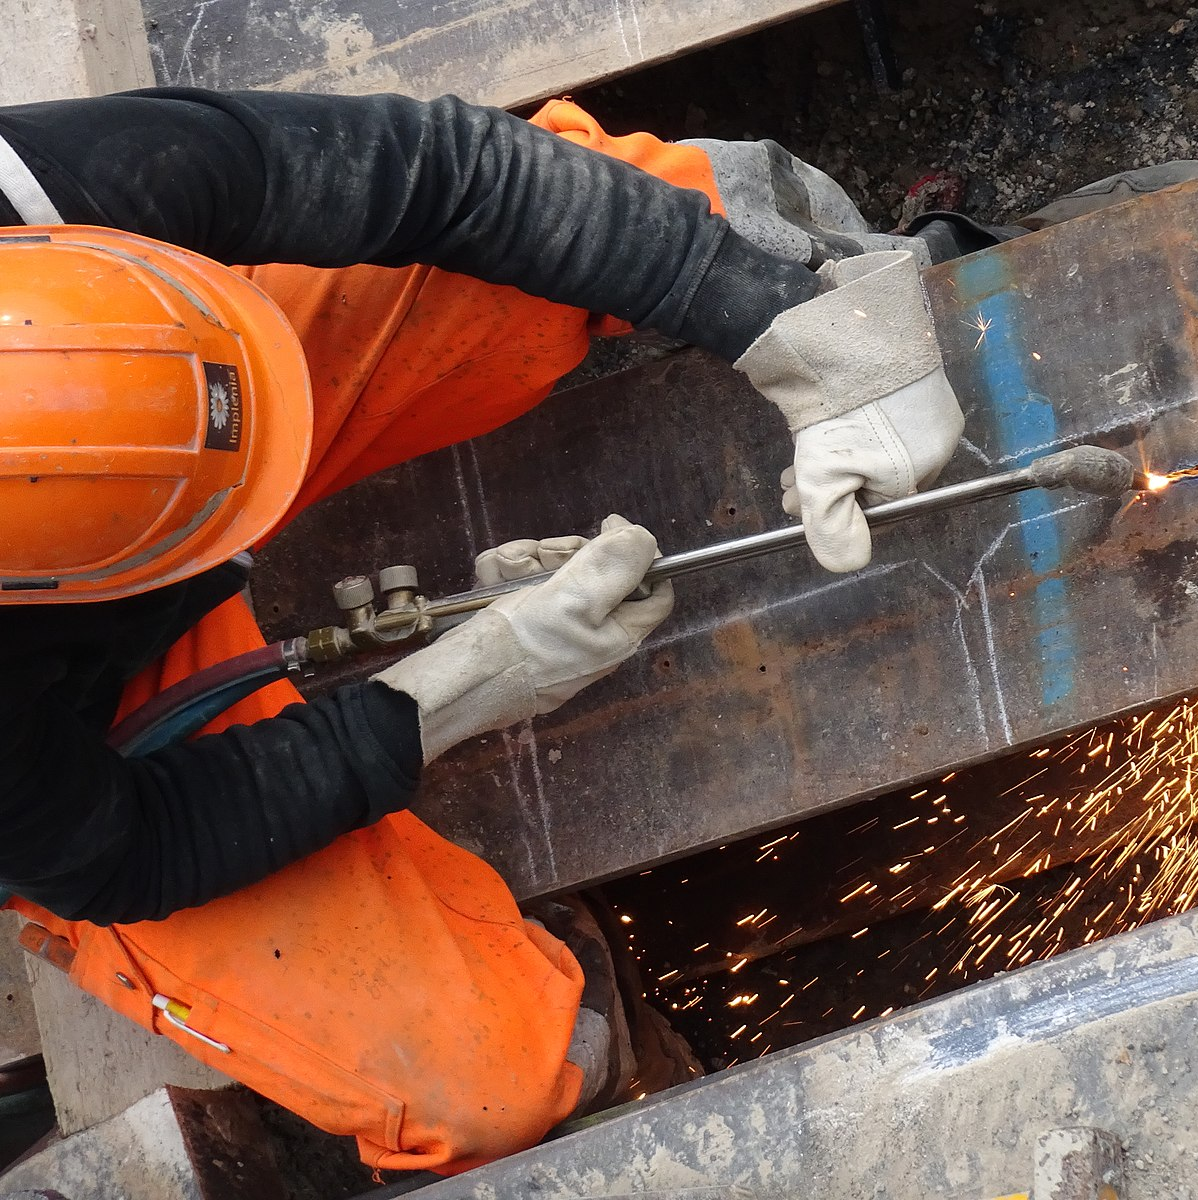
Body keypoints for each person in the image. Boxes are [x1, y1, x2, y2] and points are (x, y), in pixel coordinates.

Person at [0, 88, 969, 1174]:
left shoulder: (33, 195)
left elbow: (443, 172)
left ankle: (823, 278)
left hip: (190, 372)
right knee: (480, 1084)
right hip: (69, 737)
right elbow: (127, 846)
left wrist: (810, 342)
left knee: (619, 222)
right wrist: (463, 685)